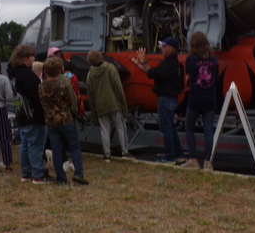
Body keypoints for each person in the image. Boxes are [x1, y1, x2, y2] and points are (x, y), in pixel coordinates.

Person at [132, 37, 186, 165]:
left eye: (164, 46)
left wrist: (143, 62)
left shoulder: (168, 64)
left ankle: (170, 157)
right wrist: (141, 65)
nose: (161, 48)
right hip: (171, 99)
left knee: (166, 128)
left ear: (171, 49)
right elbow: (153, 72)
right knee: (170, 127)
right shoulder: (174, 65)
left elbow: (153, 73)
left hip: (165, 99)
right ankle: (178, 155)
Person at [39, 56, 88, 186]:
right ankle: (78, 174)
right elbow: (71, 100)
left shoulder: (41, 87)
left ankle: (61, 177)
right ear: (60, 69)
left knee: (56, 149)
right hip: (65, 119)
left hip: (50, 121)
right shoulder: (63, 84)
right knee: (74, 146)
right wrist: (74, 111)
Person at [10, 44, 50, 184]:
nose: (33, 58)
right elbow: (35, 96)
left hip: (22, 115)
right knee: (35, 145)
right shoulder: (27, 75)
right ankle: (38, 174)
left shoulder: (15, 74)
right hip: (33, 116)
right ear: (25, 58)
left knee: (25, 145)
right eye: (32, 56)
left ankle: (25, 173)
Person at [181, 31, 220, 170]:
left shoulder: (190, 59)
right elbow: (216, 78)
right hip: (210, 100)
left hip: (195, 99)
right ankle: (208, 162)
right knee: (208, 130)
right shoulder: (214, 60)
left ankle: (193, 159)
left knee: (189, 127)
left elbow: (188, 77)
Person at [86, 49, 131, 161]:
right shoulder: (110, 68)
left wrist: (93, 113)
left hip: (100, 106)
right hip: (114, 104)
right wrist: (124, 106)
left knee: (104, 130)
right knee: (121, 128)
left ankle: (107, 155)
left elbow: (90, 95)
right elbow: (118, 88)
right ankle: (125, 152)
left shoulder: (90, 74)